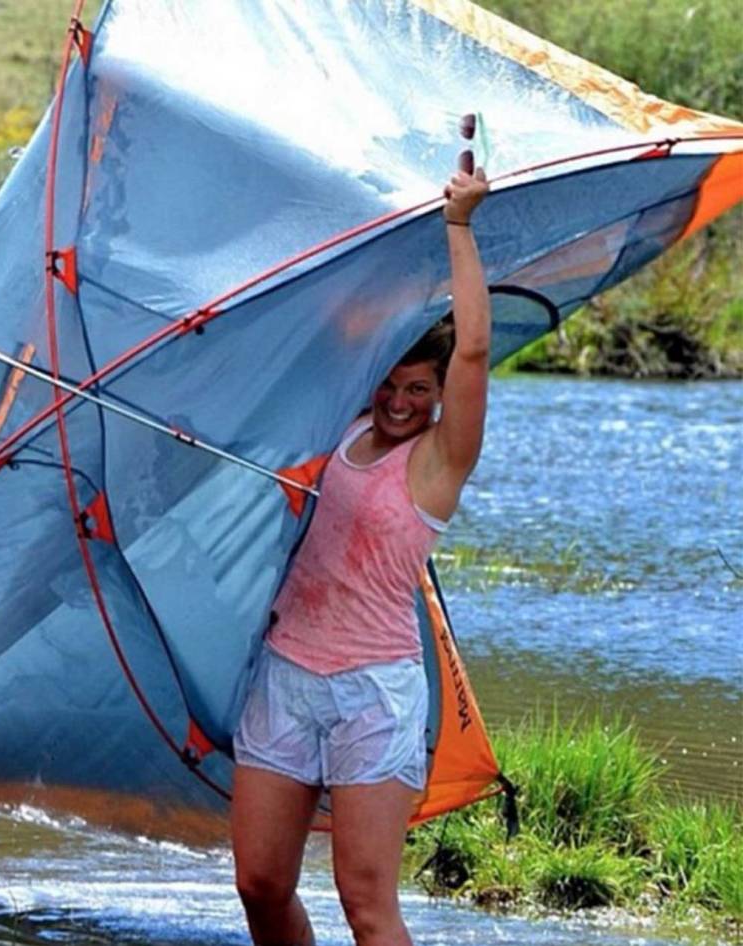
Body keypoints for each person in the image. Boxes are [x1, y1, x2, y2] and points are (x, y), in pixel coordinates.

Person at [230, 166, 491, 946]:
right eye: (390, 382)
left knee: (367, 907)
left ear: (440, 394)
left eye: (419, 389)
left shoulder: (441, 461)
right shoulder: (343, 425)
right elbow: (327, 318)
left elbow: (473, 349)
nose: (401, 401)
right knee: (261, 883)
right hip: (285, 674)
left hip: (373, 696)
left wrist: (457, 226)